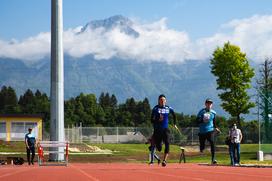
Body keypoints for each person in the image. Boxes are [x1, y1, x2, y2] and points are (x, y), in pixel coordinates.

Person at [151, 94, 177, 167]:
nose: (162, 101)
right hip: (157, 130)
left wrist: (174, 124)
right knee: (159, 148)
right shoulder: (155, 108)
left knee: (167, 143)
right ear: (158, 101)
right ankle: (160, 143)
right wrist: (157, 120)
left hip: (165, 129)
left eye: (163, 100)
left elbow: (174, 115)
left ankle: (164, 160)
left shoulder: (169, 108)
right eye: (161, 100)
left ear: (166, 101)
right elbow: (151, 120)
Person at [196, 98, 220, 164]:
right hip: (202, 131)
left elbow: (214, 122)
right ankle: (202, 148)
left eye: (210, 103)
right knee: (202, 146)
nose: (209, 104)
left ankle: (213, 159)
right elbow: (197, 121)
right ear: (205, 104)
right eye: (208, 103)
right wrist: (202, 120)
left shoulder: (213, 113)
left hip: (210, 130)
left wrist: (216, 127)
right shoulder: (201, 111)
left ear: (212, 105)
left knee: (212, 142)